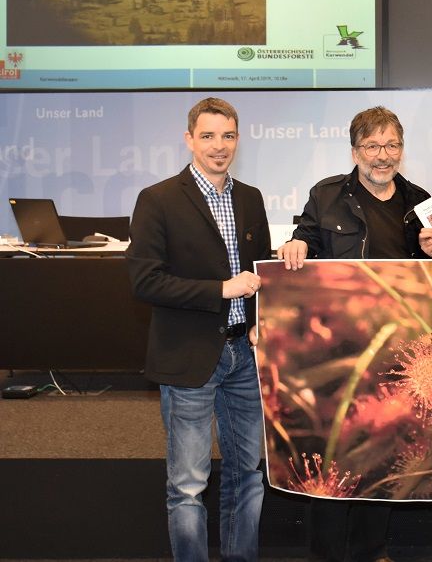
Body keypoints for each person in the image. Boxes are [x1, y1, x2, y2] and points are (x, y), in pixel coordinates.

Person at [278, 106, 432, 562]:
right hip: (339, 348)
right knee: (332, 456)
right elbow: (303, 235)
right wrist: (297, 243)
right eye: (372, 147)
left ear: (402, 150)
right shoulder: (326, 196)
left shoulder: (421, 202)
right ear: (355, 151)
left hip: (397, 348)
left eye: (391, 146)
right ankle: (327, 553)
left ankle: (372, 549)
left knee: (382, 452)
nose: (382, 156)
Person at [127, 97, 271, 561]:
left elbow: (260, 274)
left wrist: (256, 321)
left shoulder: (250, 198)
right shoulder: (158, 199)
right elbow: (145, 281)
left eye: (227, 135)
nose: (219, 146)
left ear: (238, 139)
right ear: (189, 139)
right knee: (188, 486)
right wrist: (222, 290)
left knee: (248, 474)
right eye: (207, 136)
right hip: (188, 358)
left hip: (243, 357)